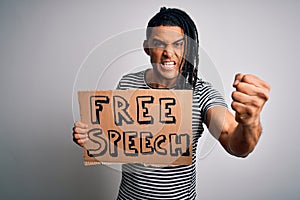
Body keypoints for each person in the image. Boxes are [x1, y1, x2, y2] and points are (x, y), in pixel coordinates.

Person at [72, 7, 270, 200]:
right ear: (147, 48)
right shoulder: (127, 83)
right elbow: (117, 136)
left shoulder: (200, 93)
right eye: (159, 44)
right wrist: (91, 137)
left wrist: (250, 123)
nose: (168, 52)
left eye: (178, 44)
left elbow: (234, 141)